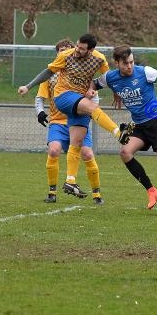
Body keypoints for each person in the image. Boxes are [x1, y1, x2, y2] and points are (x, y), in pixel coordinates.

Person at [18, 33, 133, 199]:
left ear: (91, 50)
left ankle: (70, 181)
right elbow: (47, 72)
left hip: (79, 100)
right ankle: (118, 133)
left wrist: (116, 91)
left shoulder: (99, 59)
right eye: (77, 46)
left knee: (77, 144)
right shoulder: (66, 55)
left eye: (82, 49)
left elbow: (109, 77)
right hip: (63, 97)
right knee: (93, 108)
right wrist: (28, 86)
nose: (77, 50)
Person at [92, 45, 157, 217]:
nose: (129, 66)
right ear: (117, 63)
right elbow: (94, 84)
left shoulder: (145, 72)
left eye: (131, 62)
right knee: (125, 152)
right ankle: (152, 191)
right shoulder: (110, 77)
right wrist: (91, 90)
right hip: (139, 125)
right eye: (125, 63)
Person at [36, 39, 104, 204]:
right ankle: (52, 193)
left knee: (87, 153)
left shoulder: (82, 72)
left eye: (67, 49)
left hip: (77, 122)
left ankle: (97, 194)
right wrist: (40, 112)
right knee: (53, 151)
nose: (64, 53)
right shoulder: (50, 76)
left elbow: (94, 95)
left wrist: (91, 103)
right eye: (60, 50)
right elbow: (40, 97)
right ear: (57, 54)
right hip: (58, 123)